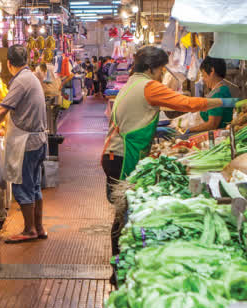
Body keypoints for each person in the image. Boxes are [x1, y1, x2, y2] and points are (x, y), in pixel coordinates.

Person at [101, 46, 237, 256]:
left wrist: (156, 128)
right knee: (124, 213)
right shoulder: (148, 86)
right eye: (161, 69)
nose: (162, 74)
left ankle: (119, 259)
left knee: (124, 210)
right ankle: (119, 263)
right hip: (122, 153)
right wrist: (228, 101)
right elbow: (187, 103)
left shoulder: (133, 82)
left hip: (114, 152)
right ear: (150, 68)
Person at [0, 45, 49, 243]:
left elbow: (2, 110)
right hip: (37, 141)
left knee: (23, 186)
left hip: (27, 143)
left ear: (8, 63)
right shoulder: (31, 77)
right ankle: (39, 228)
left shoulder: (21, 81)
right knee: (35, 186)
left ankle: (30, 229)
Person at [184, 57, 237, 133]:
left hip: (216, 135)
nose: (203, 79)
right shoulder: (221, 90)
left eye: (203, 75)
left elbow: (212, 124)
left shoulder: (218, 93)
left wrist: (191, 130)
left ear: (212, 71)